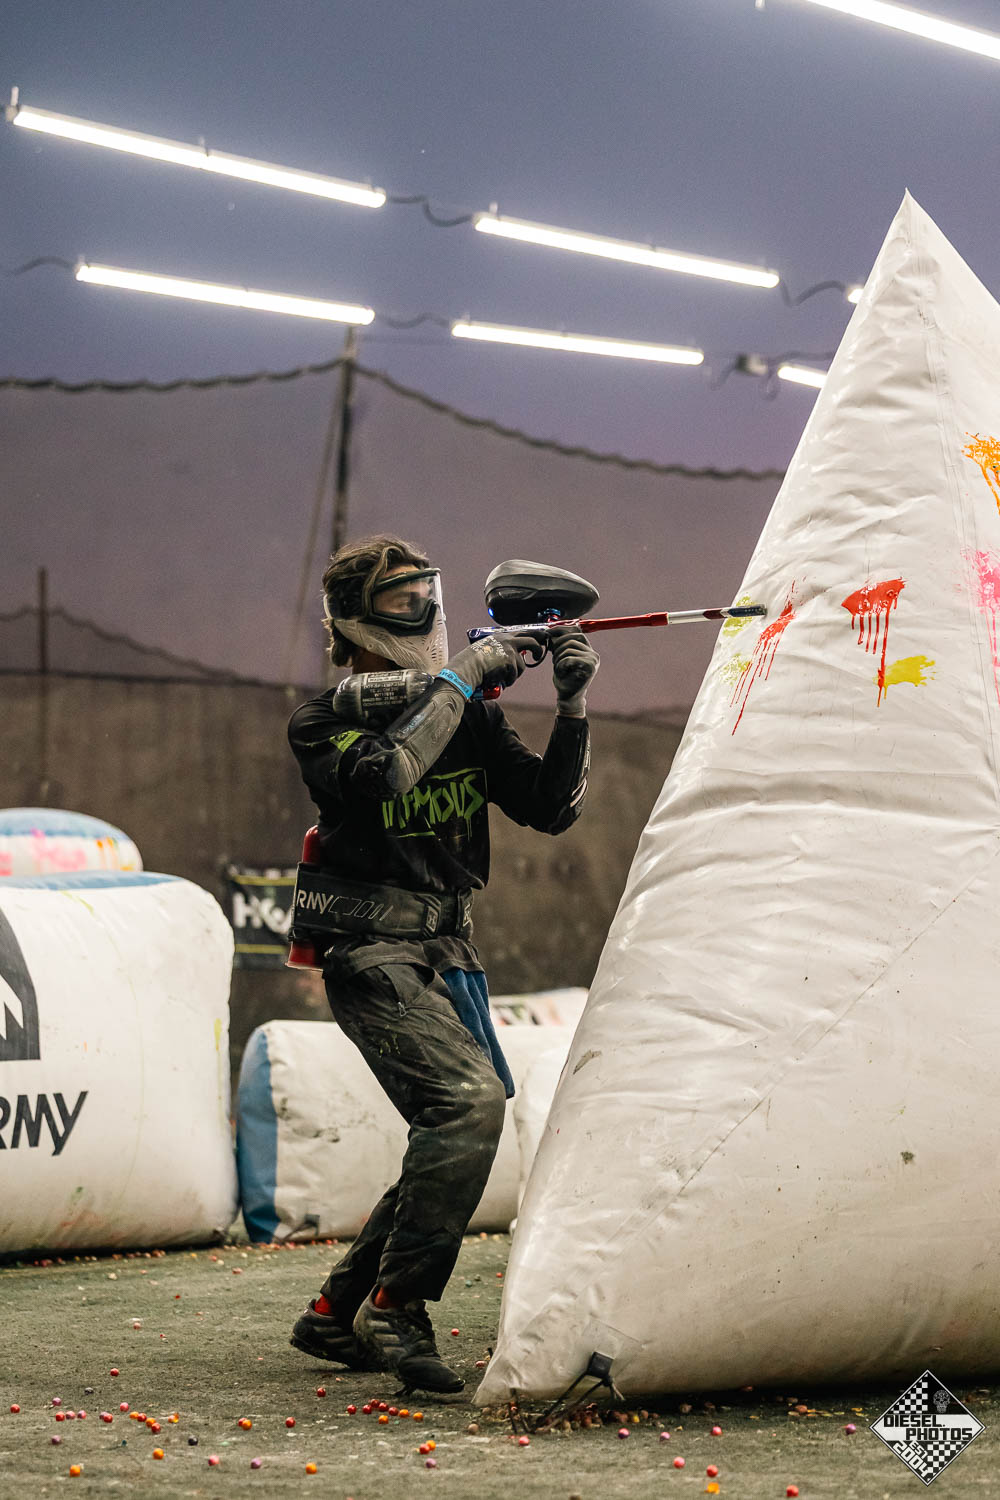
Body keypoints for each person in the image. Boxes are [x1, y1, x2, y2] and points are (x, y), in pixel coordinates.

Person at [286, 533, 599, 1393]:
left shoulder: (472, 715)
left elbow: (552, 809)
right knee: (465, 1106)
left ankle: (335, 1311)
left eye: (428, 593)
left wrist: (572, 707)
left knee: (457, 1122)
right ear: (354, 622)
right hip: (369, 951)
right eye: (400, 601)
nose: (423, 612)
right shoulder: (321, 722)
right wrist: (458, 683)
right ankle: (397, 1304)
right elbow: (387, 775)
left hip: (447, 952)